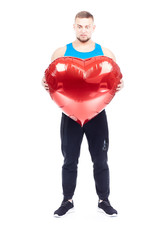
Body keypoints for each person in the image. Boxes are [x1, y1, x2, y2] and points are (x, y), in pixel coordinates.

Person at [42, 11, 124, 217]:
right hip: (69, 116)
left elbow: (114, 81)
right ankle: (67, 201)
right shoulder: (61, 53)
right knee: (70, 159)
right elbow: (51, 82)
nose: (83, 30)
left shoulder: (105, 53)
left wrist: (120, 84)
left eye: (87, 26)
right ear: (74, 26)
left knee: (101, 159)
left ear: (93, 28)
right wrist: (44, 83)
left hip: (97, 115)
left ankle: (104, 200)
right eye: (80, 26)